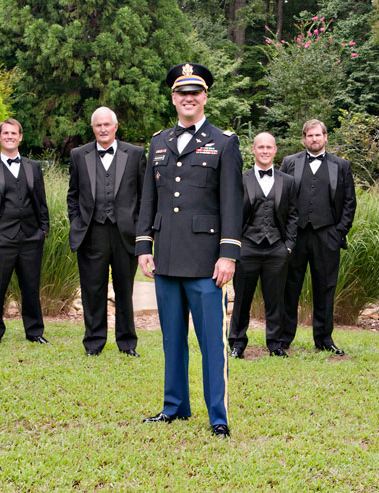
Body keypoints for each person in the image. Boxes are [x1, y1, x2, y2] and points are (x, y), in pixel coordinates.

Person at [136, 63, 243, 439]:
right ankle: (175, 406)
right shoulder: (158, 141)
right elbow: (148, 197)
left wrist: (228, 254)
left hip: (206, 261)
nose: (188, 98)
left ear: (205, 97)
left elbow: (232, 202)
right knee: (172, 338)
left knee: (212, 341)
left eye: (195, 92)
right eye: (182, 93)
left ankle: (218, 415)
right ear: (173, 98)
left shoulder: (224, 142)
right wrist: (143, 246)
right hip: (165, 255)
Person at [67, 107, 146, 357]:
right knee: (92, 290)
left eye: (106, 124)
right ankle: (93, 343)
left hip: (126, 234)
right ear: (93, 128)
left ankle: (127, 343)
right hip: (92, 234)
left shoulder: (135, 154)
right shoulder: (79, 155)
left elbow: (144, 196)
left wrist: (140, 228)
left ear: (115, 126)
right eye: (98, 125)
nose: (102, 129)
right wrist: (77, 223)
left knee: (125, 290)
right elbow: (73, 195)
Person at [279, 119, 356, 355]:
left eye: (318, 135)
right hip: (296, 236)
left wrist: (338, 232)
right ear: (304, 138)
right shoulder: (290, 163)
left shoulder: (341, 166)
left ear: (325, 137)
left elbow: (349, 203)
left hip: (327, 236)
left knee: (325, 289)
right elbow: (279, 198)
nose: (314, 139)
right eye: (310, 135)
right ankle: (283, 339)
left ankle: (324, 339)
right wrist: (284, 234)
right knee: (289, 288)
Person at [0, 118, 50, 345]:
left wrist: (43, 230)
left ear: (20, 137)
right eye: (5, 133)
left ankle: (34, 331)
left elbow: (41, 201)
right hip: (0, 239)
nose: (9, 136)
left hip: (30, 238)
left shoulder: (33, 167)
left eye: (14, 133)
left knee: (30, 287)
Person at [229, 132, 298, 358]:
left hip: (276, 249)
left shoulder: (287, 182)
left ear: (275, 150)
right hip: (247, 246)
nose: (265, 151)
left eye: (269, 147)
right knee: (241, 299)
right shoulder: (241, 179)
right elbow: (232, 215)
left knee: (275, 299)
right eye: (261, 147)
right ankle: (237, 344)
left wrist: (287, 246)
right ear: (254, 150)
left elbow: (293, 216)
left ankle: (276, 344)